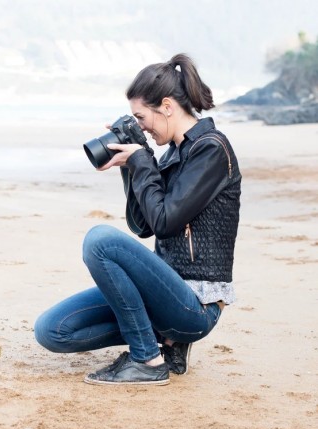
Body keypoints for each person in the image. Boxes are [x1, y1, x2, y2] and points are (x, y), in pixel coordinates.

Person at [34, 53, 242, 386]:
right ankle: (164, 343)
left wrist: (144, 160)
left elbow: (164, 221)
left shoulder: (211, 150)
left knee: (100, 240)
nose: (141, 126)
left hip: (195, 308)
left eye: (141, 117)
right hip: (163, 296)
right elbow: (143, 225)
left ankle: (146, 358)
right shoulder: (174, 153)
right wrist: (132, 167)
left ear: (168, 106)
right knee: (53, 331)